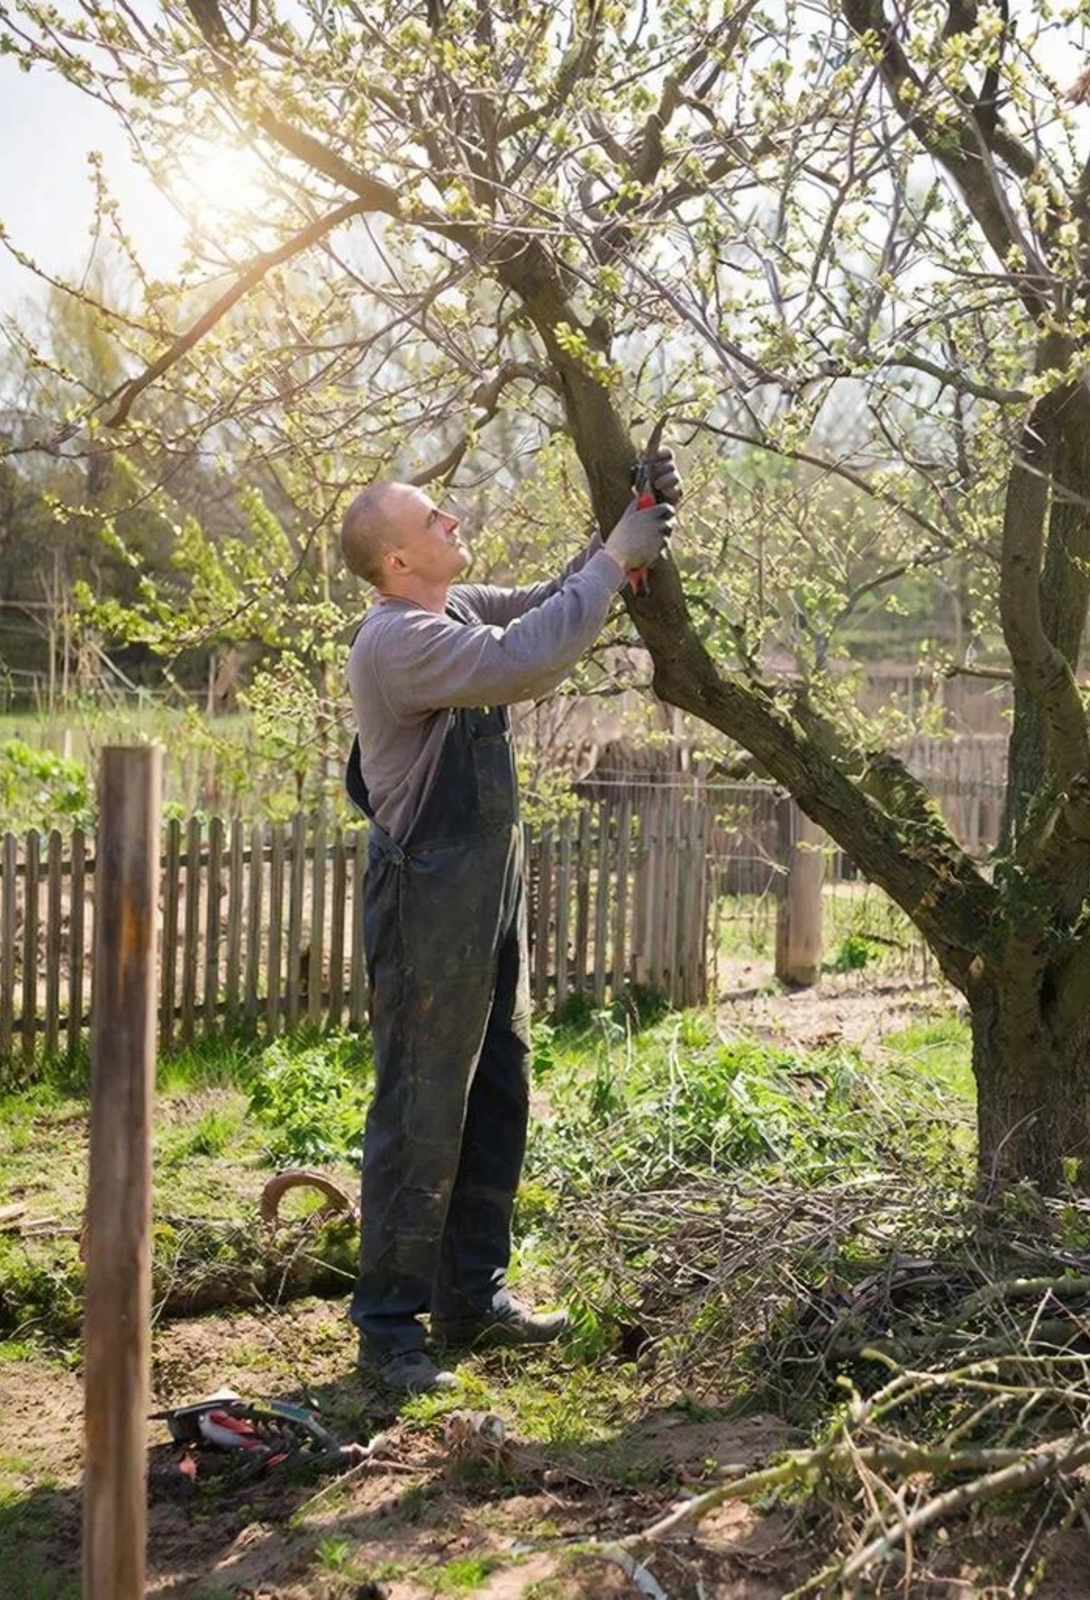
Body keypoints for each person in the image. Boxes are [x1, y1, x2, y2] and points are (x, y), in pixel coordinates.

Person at [338, 454, 679, 1393]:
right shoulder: (398, 641)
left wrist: (626, 521)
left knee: (496, 1088)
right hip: (428, 901)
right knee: (420, 1108)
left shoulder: (449, 606)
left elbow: (545, 601)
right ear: (397, 562)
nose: (451, 518)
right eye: (431, 518)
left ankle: (471, 1301)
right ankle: (389, 1335)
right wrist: (615, 559)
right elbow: (527, 657)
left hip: (480, 893)